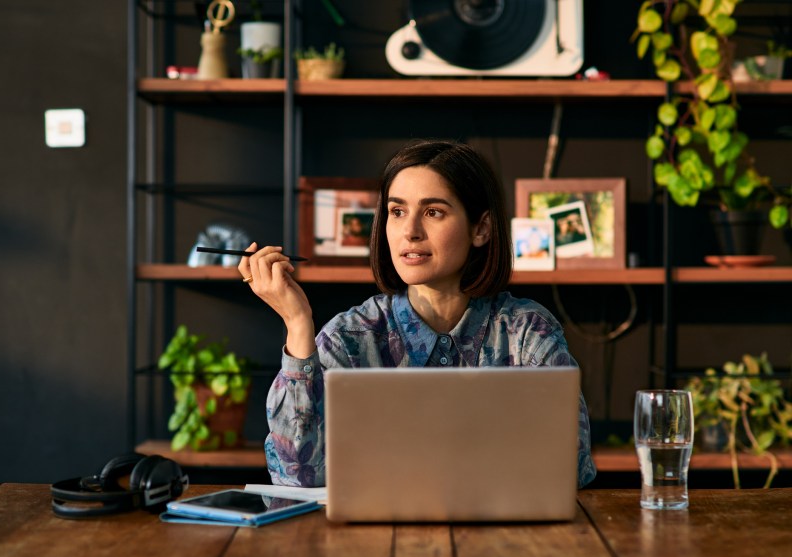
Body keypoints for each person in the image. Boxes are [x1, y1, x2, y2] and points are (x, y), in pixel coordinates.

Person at [238, 139, 597, 489]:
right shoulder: (349, 338)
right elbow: (297, 475)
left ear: (481, 228)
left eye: (433, 212)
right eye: (397, 212)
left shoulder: (527, 332)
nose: (410, 232)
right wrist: (297, 324)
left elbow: (571, 466)